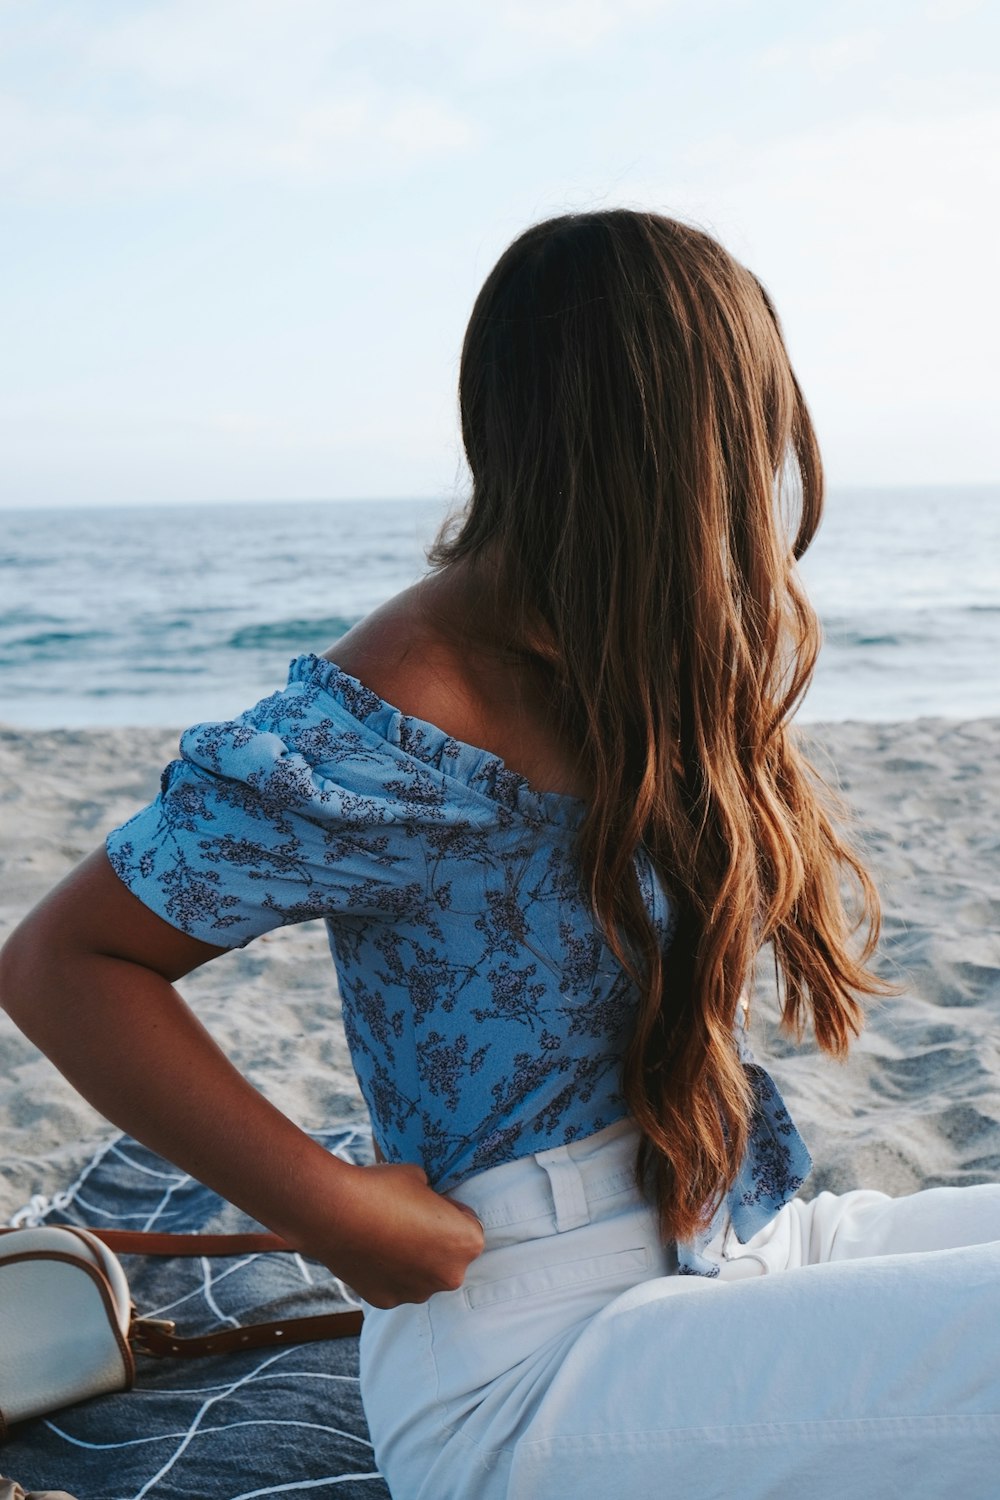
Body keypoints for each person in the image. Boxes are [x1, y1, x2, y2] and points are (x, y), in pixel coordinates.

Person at [2, 210, 999, 1499]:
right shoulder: (412, 701)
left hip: (737, 1232)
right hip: (532, 1353)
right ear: (681, 436)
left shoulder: (632, 650)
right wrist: (334, 1209)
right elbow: (65, 959)